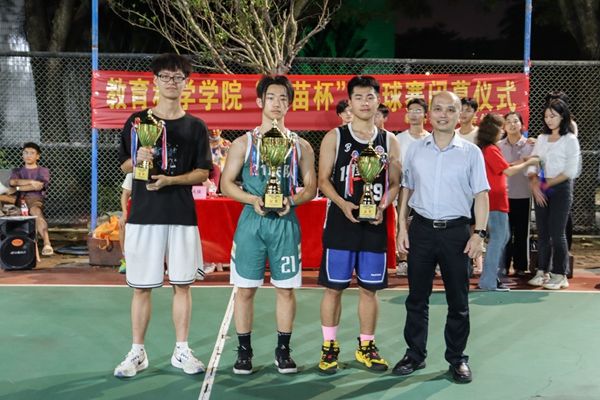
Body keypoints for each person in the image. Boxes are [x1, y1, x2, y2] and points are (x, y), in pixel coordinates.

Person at [114, 53, 212, 378]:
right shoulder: (137, 122)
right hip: (144, 214)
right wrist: (138, 158)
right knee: (141, 287)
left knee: (182, 285)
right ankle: (137, 352)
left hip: (181, 215)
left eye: (178, 77)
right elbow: (124, 165)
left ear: (186, 82)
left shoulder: (196, 126)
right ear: (155, 80)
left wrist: (171, 180)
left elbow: (203, 172)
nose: (172, 82)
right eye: (166, 76)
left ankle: (181, 350)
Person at [220, 75, 317, 375]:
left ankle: (283, 351)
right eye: (272, 97)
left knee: (285, 290)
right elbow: (226, 184)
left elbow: (311, 188)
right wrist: (252, 199)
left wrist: (292, 200)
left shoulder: (301, 145)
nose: (277, 103)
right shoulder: (243, 143)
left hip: (285, 221)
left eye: (283, 98)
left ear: (290, 104)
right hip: (252, 222)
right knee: (245, 289)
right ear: (260, 101)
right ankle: (244, 351)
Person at [395, 91, 489, 383]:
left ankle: (457, 358)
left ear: (459, 115)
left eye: (450, 109)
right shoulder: (415, 150)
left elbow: (481, 195)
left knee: (458, 301)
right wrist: (401, 227)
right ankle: (415, 354)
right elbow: (407, 189)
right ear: (430, 114)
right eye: (438, 109)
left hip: (457, 233)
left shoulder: (471, 152)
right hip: (421, 230)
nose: (443, 114)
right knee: (416, 298)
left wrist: (479, 234)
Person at [317, 75, 401, 374]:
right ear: (349, 103)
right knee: (334, 289)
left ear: (378, 100)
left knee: (369, 289)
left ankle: (366, 346)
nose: (365, 102)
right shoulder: (335, 137)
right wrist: (343, 204)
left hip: (374, 224)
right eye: (358, 97)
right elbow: (323, 180)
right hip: (341, 223)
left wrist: (383, 206)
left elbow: (395, 183)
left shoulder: (389, 140)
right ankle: (329, 347)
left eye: (370, 97)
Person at [476, 114, 538, 291]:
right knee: (499, 238)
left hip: (496, 199)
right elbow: (508, 171)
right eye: (502, 126)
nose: (504, 129)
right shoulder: (491, 149)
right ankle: (489, 279)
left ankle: (491, 277)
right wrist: (529, 162)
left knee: (502, 237)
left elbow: (505, 167)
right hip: (495, 200)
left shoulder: (488, 148)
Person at [527, 99, 580, 290]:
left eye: (553, 116)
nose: (549, 120)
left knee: (557, 233)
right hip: (541, 186)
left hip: (561, 188)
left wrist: (545, 185)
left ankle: (560, 274)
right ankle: (542, 271)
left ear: (563, 117)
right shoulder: (542, 138)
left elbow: (570, 170)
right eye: (546, 116)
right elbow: (533, 162)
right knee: (543, 233)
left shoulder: (570, 139)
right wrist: (535, 184)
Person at [394, 98, 431, 276]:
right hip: (405, 188)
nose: (414, 114)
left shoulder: (432, 138)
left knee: (427, 223)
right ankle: (403, 261)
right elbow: (395, 165)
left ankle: (431, 260)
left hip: (427, 189)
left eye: (418, 110)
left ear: (426, 115)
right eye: (411, 111)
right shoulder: (399, 139)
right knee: (402, 222)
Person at [498, 112, 535, 276]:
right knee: (504, 233)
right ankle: (503, 265)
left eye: (515, 121)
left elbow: (534, 164)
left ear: (522, 125)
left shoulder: (530, 144)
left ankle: (521, 266)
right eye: (508, 121)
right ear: (504, 126)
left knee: (521, 233)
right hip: (503, 196)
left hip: (523, 195)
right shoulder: (498, 145)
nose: (512, 124)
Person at [9, 142, 53, 256]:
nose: (28, 155)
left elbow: (39, 186)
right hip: (18, 201)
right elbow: (13, 182)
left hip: (35, 199)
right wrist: (31, 182)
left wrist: (18, 187)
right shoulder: (17, 171)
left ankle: (47, 244)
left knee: (36, 212)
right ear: (22, 155)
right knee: (9, 212)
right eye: (26, 152)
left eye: (32, 153)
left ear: (37, 156)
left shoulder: (43, 170)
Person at [118, 172, 133, 274]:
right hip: (136, 207)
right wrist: (124, 213)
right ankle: (126, 259)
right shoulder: (132, 173)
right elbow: (126, 193)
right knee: (122, 223)